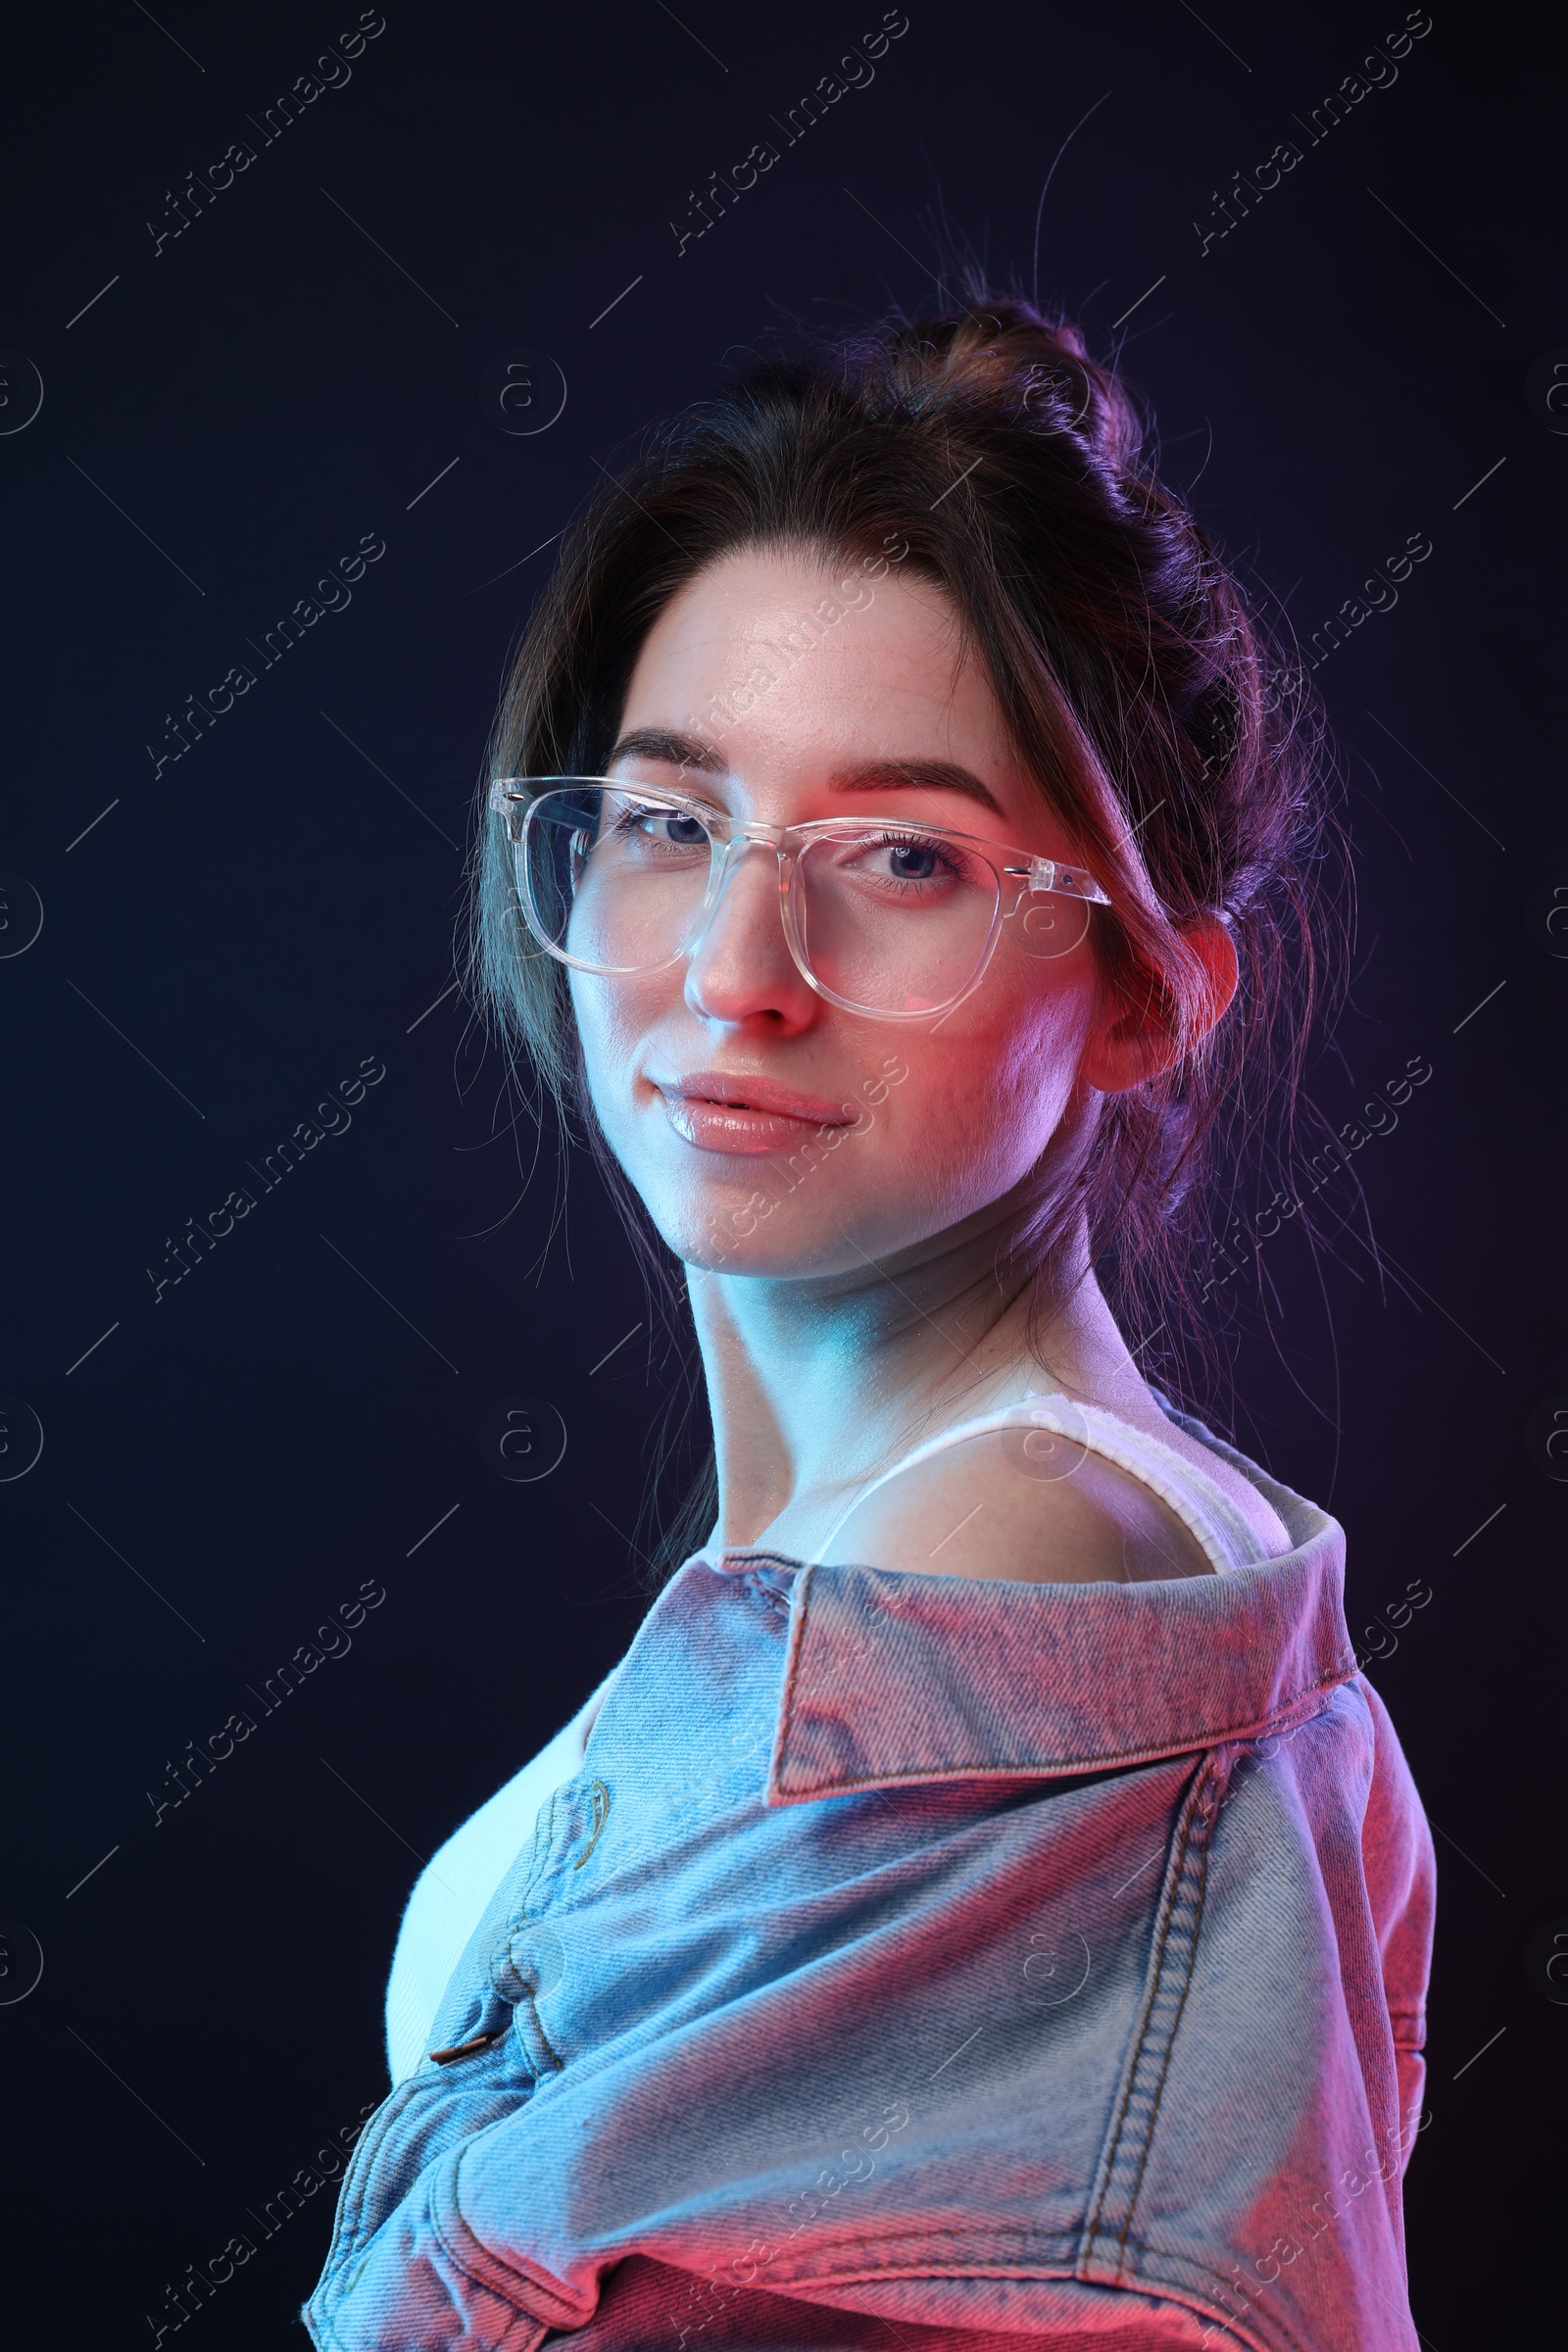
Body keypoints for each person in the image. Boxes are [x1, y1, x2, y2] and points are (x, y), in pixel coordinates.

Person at [305, 291, 1434, 2351]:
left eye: (900, 856)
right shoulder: (935, 1547)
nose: (738, 966)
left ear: (1144, 993)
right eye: (668, 822)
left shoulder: (986, 1576)